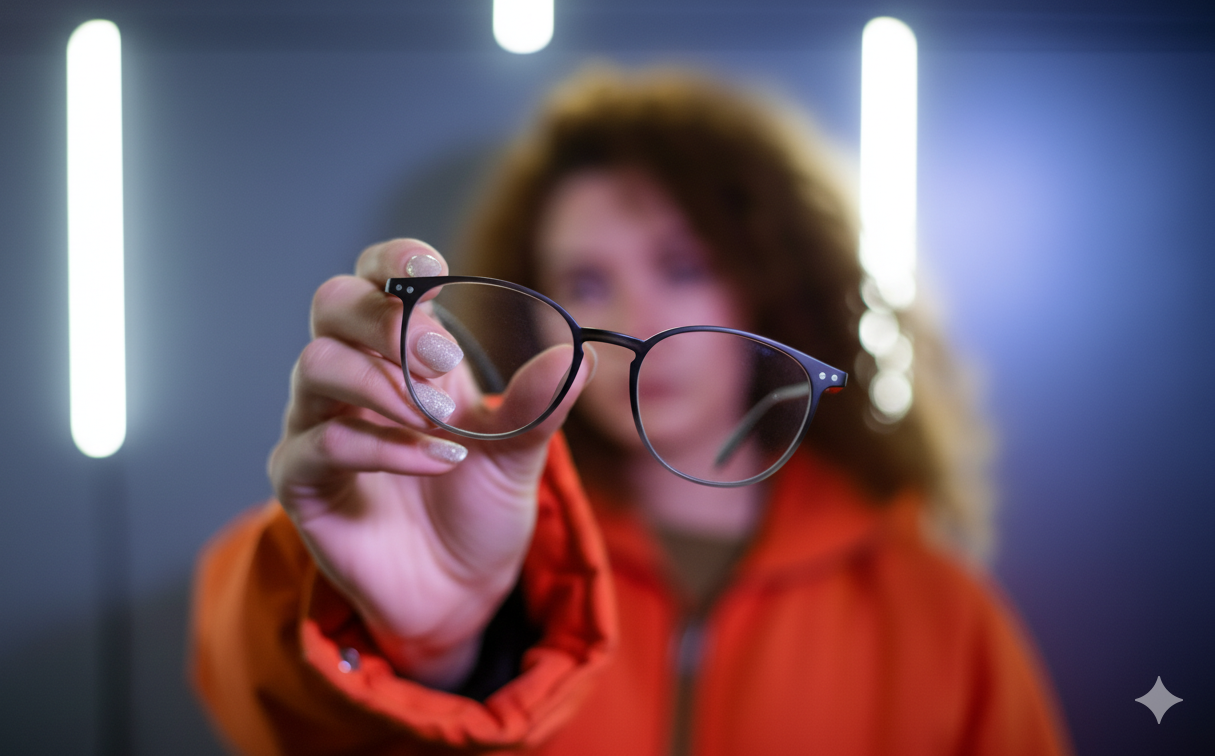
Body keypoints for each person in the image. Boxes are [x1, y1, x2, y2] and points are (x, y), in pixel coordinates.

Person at [191, 67, 1073, 755]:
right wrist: (421, 647)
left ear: (767, 288)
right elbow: (253, 687)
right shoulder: (482, 529)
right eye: (585, 281)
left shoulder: (937, 614)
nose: (633, 319)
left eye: (681, 266)